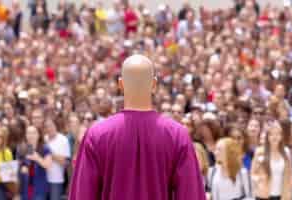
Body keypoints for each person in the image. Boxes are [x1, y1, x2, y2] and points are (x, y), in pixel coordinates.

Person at [69, 55, 206, 200]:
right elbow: (190, 194)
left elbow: (82, 194)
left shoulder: (96, 135)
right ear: (154, 84)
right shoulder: (177, 135)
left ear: (120, 85)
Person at [251, 120, 292, 200]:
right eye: (271, 134)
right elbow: (253, 173)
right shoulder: (259, 152)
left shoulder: (286, 152)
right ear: (267, 137)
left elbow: (289, 174)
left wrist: (289, 194)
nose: (275, 137)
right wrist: (259, 180)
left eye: (277, 134)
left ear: (281, 136)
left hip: (282, 195)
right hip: (263, 195)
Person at [19, 126, 52, 200]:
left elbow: (48, 166)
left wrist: (37, 158)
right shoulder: (22, 148)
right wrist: (22, 168)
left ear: (38, 135)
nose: (31, 135)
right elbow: (19, 165)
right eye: (28, 133)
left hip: (39, 188)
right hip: (25, 188)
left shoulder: (45, 148)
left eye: (33, 133)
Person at [44, 118, 70, 200]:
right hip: (43, 179)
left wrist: (50, 153)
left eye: (51, 126)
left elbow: (65, 162)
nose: (49, 128)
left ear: (56, 126)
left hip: (56, 180)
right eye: (47, 126)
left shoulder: (63, 140)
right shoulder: (44, 139)